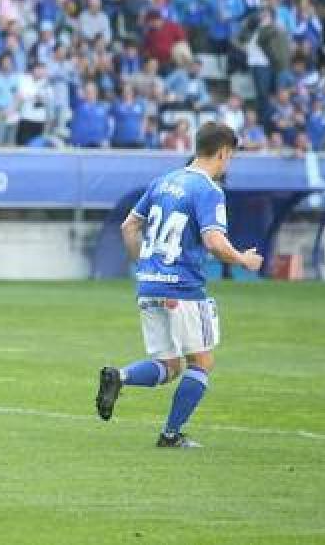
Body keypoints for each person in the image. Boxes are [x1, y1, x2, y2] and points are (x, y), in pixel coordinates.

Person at [96, 122, 264, 448]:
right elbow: (213, 241)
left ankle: (120, 377)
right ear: (223, 153)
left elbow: (129, 227)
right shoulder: (209, 190)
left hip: (149, 285)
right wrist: (243, 260)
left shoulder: (163, 181)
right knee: (201, 362)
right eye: (230, 158)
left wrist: (140, 264)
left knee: (170, 365)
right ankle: (170, 435)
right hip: (183, 288)